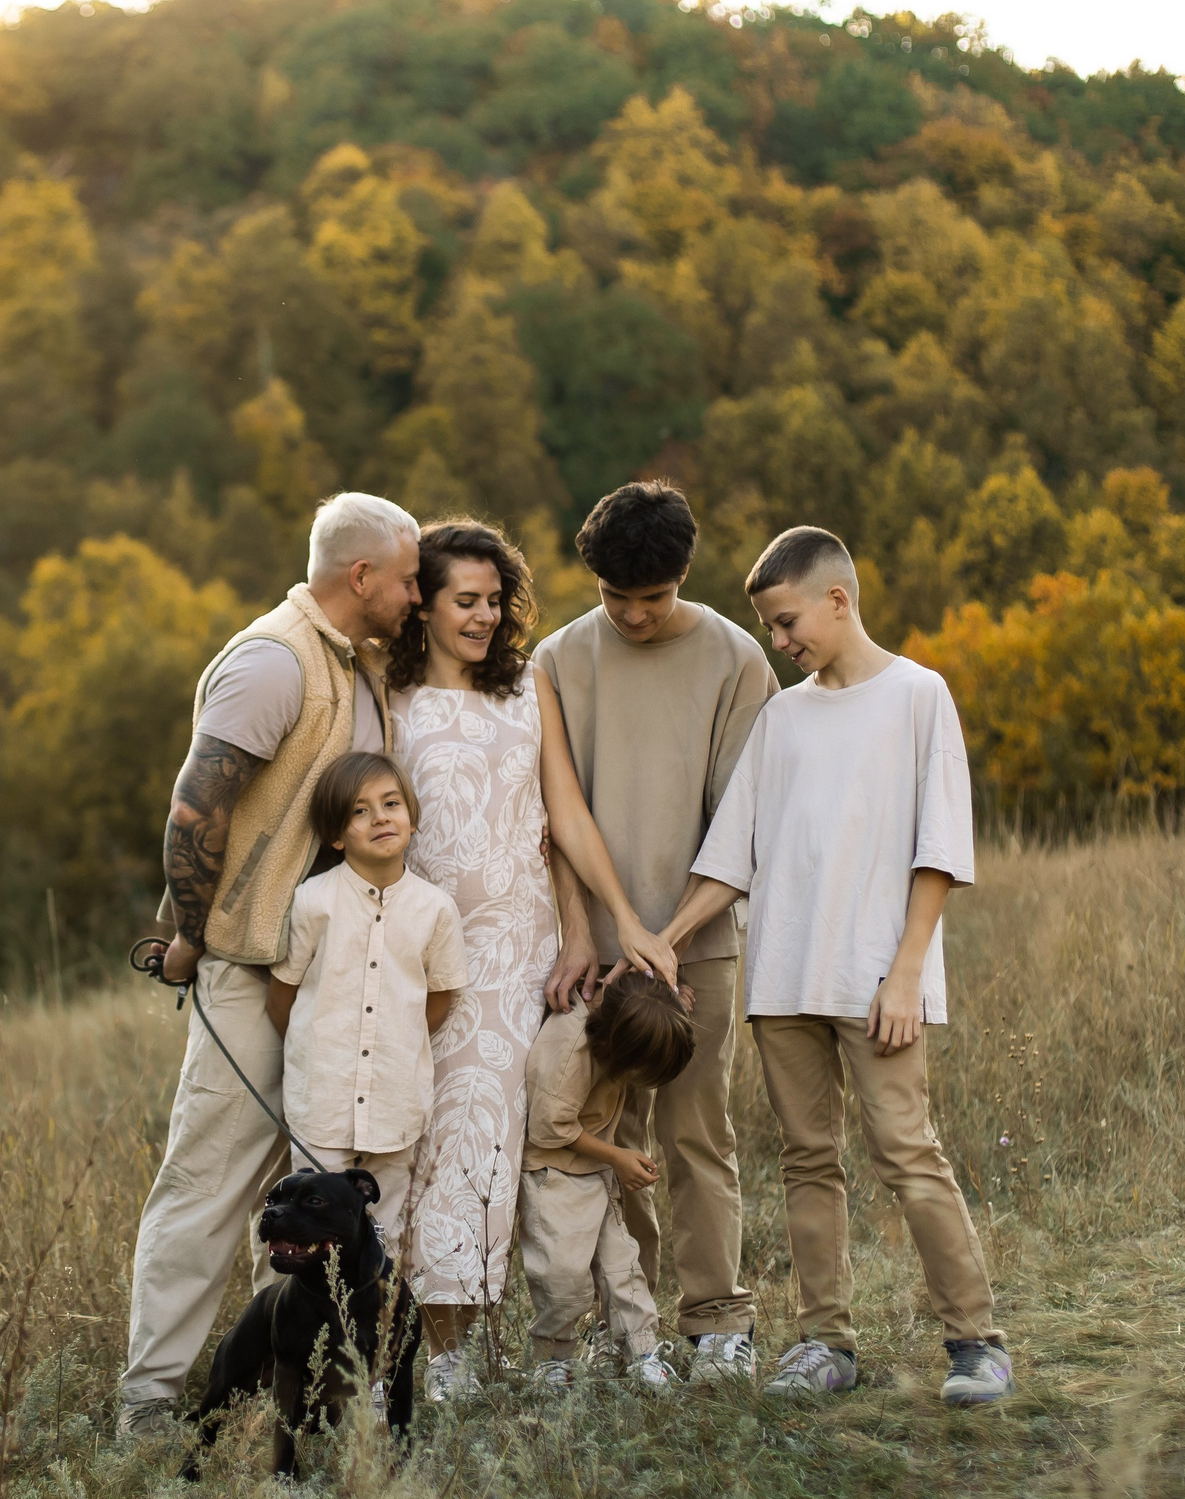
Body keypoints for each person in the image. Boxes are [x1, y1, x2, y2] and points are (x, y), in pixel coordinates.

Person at [656, 524, 1012, 1406]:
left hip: (877, 980)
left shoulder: (919, 697)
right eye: (771, 629)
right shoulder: (782, 717)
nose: (779, 643)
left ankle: (976, 1342)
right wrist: (664, 941)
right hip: (783, 984)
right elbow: (729, 855)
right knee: (807, 1161)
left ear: (837, 599)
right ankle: (826, 1344)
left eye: (785, 623)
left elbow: (940, 851)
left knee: (907, 1151)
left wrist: (905, 973)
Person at [119, 493, 421, 1440]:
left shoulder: (358, 667)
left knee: (304, 1194)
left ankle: (280, 1402)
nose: (418, 594)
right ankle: (150, 1403)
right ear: (361, 577)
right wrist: (196, 936)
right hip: (249, 969)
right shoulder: (273, 659)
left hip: (329, 975)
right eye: (409, 577)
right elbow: (194, 808)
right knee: (208, 1184)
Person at [383, 520, 680, 1402]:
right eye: (462, 601)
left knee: (532, 1143)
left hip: (530, 956)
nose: (482, 617)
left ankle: (560, 1340)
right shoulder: (387, 698)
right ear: (424, 607)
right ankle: (446, 1356)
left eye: (492, 600)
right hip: (437, 954)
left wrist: (614, 921)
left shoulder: (530, 688)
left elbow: (568, 821)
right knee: (454, 1145)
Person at [530, 482, 779, 1382]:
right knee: (600, 1135)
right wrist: (582, 932)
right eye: (613, 597)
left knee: (696, 1131)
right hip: (588, 953)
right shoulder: (555, 660)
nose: (633, 615)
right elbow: (550, 817)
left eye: (654, 597)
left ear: (684, 576)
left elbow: (745, 822)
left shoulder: (738, 660)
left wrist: (667, 934)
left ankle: (716, 1318)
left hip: (696, 943)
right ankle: (622, 1326)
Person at [264, 753, 467, 1236]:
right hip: (323, 1103)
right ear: (337, 836)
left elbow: (439, 998)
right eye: (359, 810)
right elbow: (283, 998)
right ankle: (314, 1312)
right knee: (312, 1228)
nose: (379, 817)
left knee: (384, 1233)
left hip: (396, 1104)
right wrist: (315, 1049)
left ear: (410, 819)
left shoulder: (435, 909)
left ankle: (374, 1313)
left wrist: (398, 1040)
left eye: (391, 803)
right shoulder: (314, 901)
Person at [518, 968, 699, 1391]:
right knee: (561, 1273)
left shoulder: (621, 1012)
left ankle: (642, 1352)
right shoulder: (570, 1054)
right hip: (554, 1173)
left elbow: (651, 998)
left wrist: (674, 1001)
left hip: (594, 1167)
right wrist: (617, 1156)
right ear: (616, 1049)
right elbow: (548, 1128)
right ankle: (553, 1357)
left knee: (623, 1265)